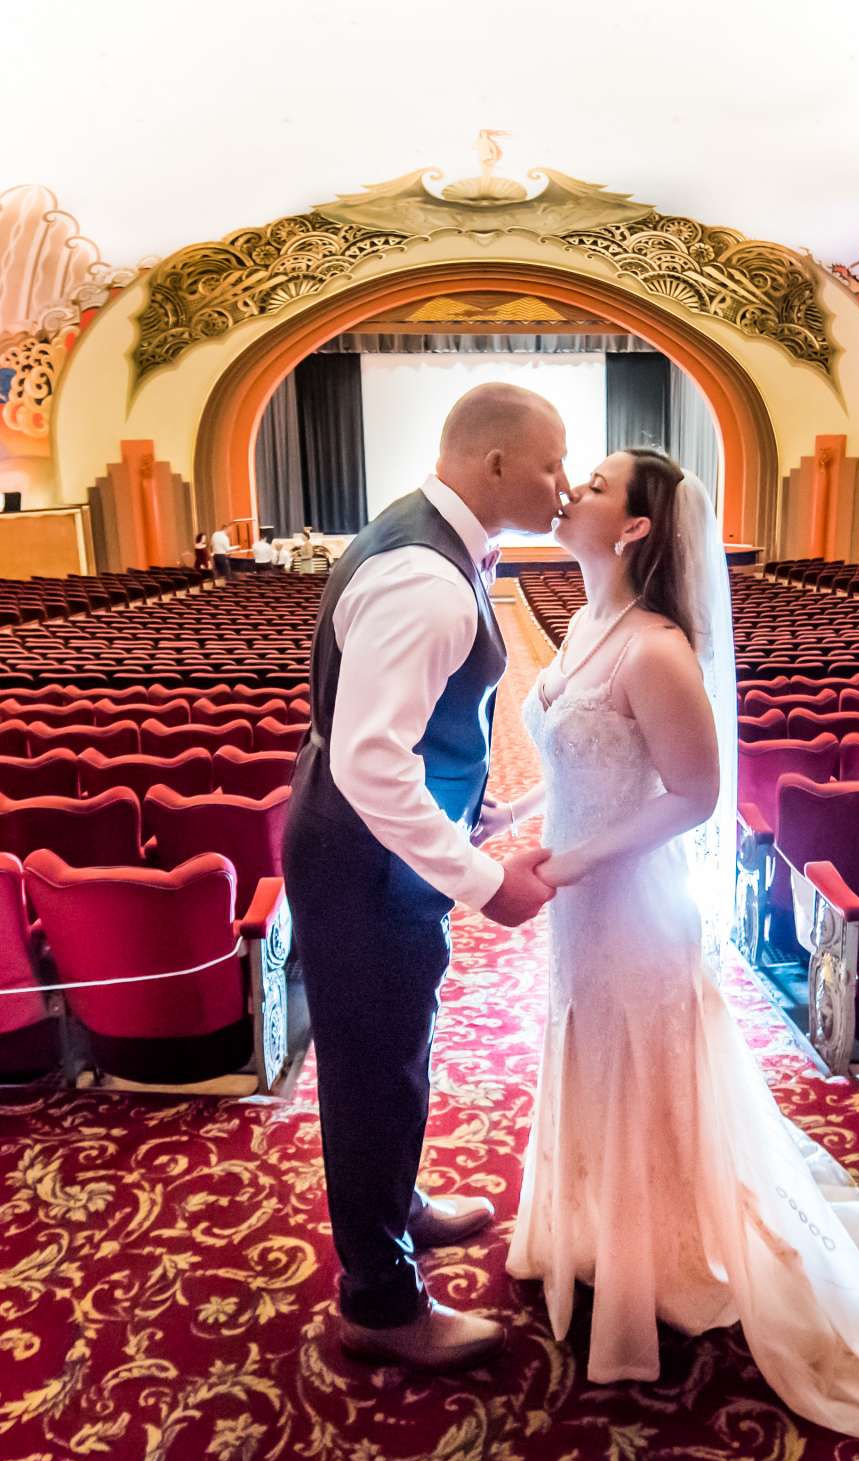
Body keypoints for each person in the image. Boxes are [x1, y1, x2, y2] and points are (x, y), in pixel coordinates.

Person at [497, 447, 859, 1443]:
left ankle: (664, 1251)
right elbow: (573, 750)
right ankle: (600, 1224)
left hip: (632, 902)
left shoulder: (654, 647)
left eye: (598, 487)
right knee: (588, 1047)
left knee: (644, 1065)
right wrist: (509, 814)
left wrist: (563, 866)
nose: (571, 493)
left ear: (639, 528)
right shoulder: (581, 623)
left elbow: (692, 799)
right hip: (583, 896)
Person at [281, 383, 569, 1372]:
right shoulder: (428, 580)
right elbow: (372, 763)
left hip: (373, 846)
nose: (562, 485)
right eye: (548, 464)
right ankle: (380, 1301)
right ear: (494, 465)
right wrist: (486, 878)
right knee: (371, 1072)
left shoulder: (435, 548)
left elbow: (412, 740)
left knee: (393, 1055)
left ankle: (395, 1208)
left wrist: (480, 817)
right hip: (364, 859)